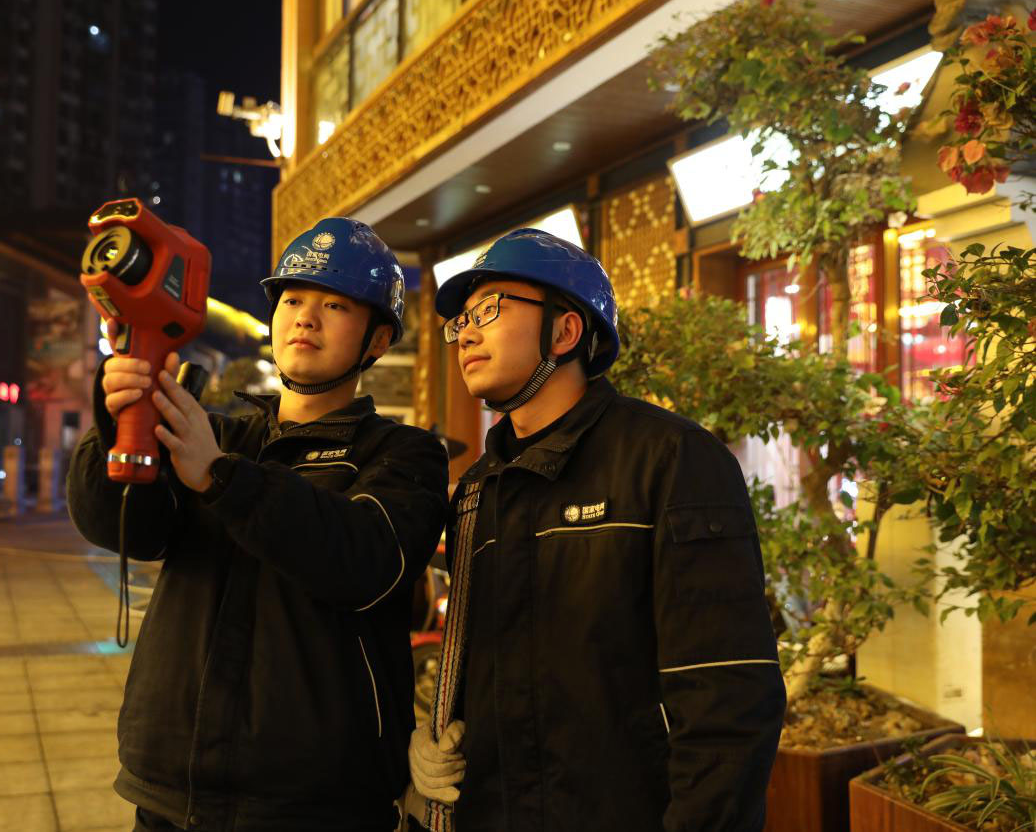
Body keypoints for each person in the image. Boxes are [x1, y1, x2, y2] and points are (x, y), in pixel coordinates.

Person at [68, 217, 449, 832]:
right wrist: (116, 429)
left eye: (335, 305)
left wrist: (223, 479)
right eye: (292, 300)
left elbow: (366, 560)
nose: (305, 318)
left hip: (316, 801)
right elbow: (125, 530)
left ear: (378, 339)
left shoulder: (403, 454)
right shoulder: (216, 434)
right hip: (171, 786)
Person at [405, 229, 786, 832]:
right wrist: (435, 737)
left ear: (565, 331)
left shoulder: (670, 459)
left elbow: (726, 696)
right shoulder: (477, 490)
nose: (467, 334)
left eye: (490, 309)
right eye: (463, 321)